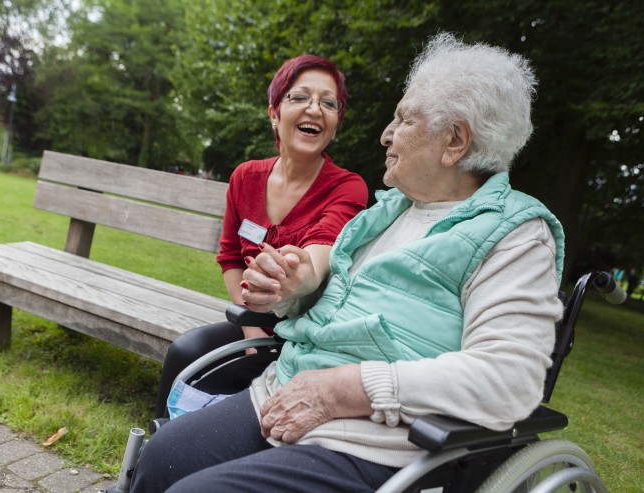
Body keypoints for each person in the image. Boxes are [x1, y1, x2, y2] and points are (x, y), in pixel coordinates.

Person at [131, 32, 565, 493]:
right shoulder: (388, 213)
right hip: (286, 389)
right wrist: (293, 294)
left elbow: (509, 378)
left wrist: (344, 388)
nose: (386, 134)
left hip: (377, 439)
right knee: (161, 458)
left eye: (403, 120)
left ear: (454, 141)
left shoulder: (514, 234)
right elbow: (330, 304)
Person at [154, 54, 368, 417]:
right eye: (299, 97)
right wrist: (251, 328)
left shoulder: (348, 187)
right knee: (185, 354)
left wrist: (300, 273)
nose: (315, 109)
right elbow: (230, 257)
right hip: (252, 325)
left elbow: (321, 253)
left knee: (231, 389)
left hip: (305, 336)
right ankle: (148, 463)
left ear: (335, 124)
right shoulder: (245, 177)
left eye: (328, 103)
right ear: (274, 113)